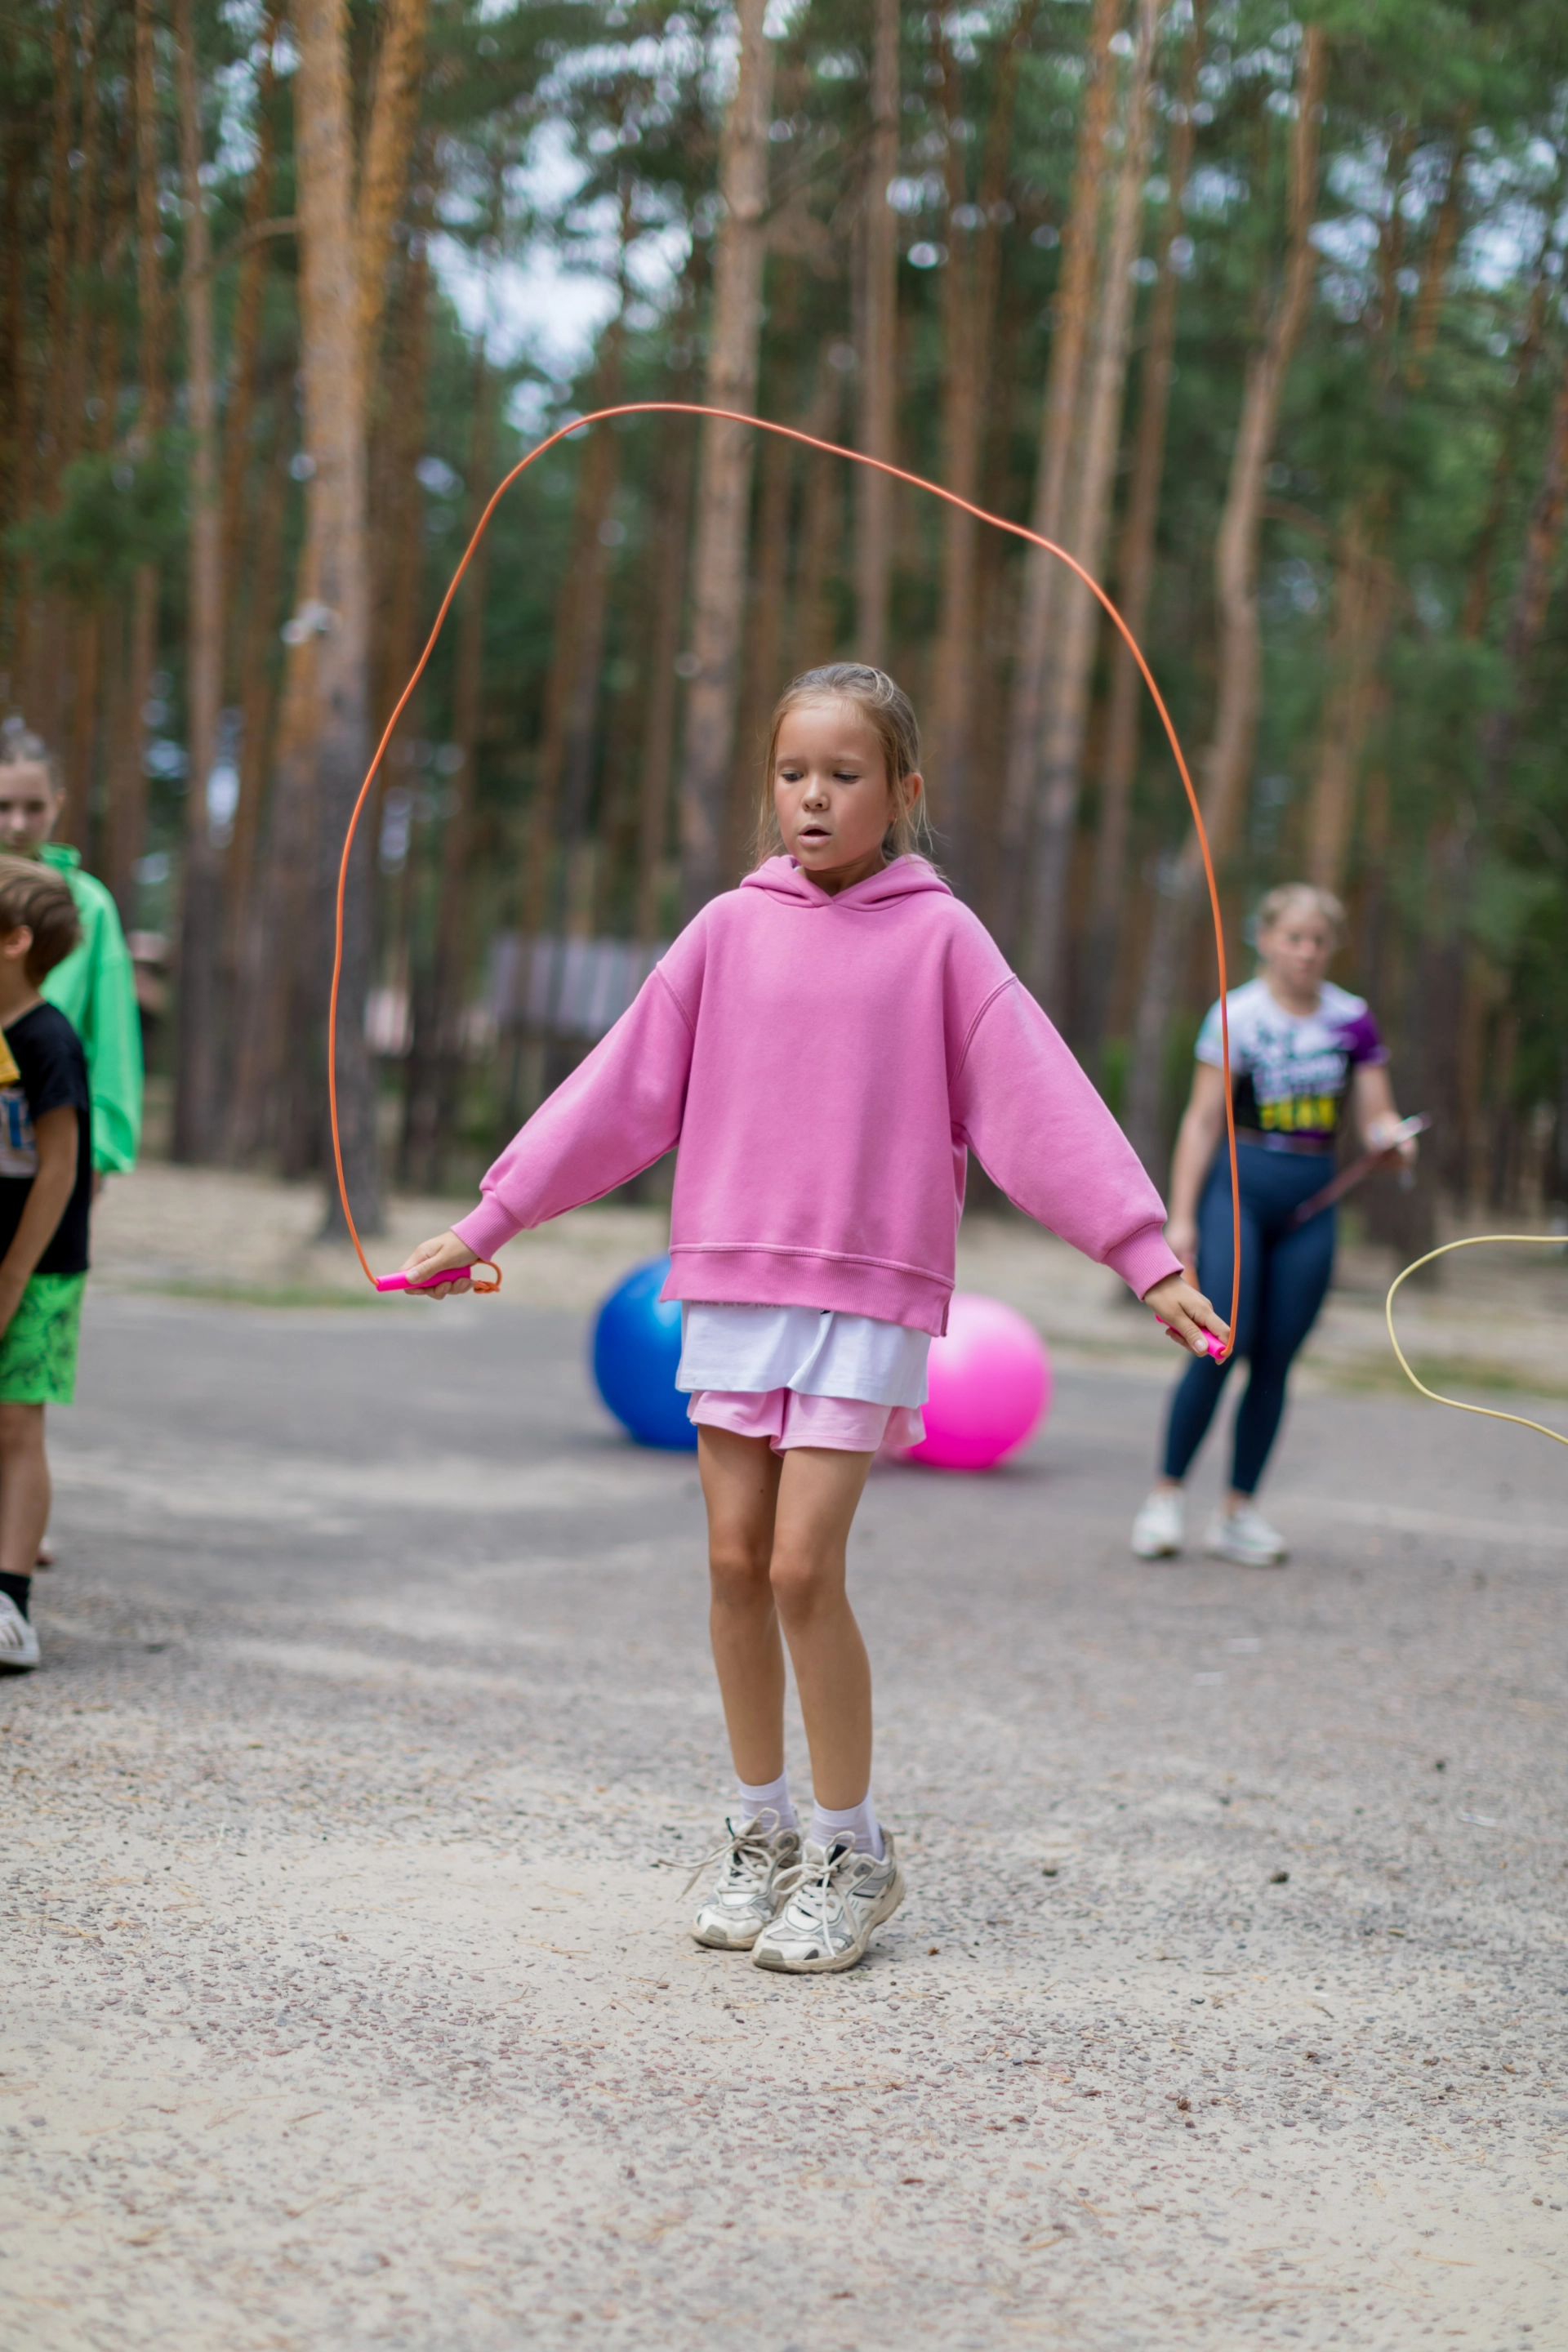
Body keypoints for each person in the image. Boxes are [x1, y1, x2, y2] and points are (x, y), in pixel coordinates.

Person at [403, 666, 1227, 1973]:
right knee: (731, 1560)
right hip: (732, 1283)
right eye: (793, 774)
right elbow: (615, 1091)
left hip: (865, 1296)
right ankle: (758, 1829)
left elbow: (1040, 1106)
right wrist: (490, 1220)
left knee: (802, 1568)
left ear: (902, 794)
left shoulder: (943, 940)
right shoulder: (727, 931)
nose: (814, 798)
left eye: (844, 776)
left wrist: (1147, 1257)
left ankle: (855, 1852)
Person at [1131, 882, 1415, 1570]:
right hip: (1240, 1190)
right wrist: (1183, 1216)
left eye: (1319, 941)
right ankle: (1165, 1498)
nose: (1307, 953)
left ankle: (1238, 1512)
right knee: (1221, 1342)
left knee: (1279, 1355)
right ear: (1266, 939)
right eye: (1294, 938)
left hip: (1314, 1198)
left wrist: (1391, 1141)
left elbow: (1376, 1113)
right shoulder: (1238, 1015)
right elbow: (1203, 1118)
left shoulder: (1353, 1019)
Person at [0, 859, 95, 1672]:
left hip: (42, 1267)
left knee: (16, 1423)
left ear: (13, 942)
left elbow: (61, 1170)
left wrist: (13, 1277)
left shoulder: (48, 1041)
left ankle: (13, 1608)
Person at [0, 721, 143, 1180]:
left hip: (47, 1145)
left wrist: (97, 1155)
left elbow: (113, 1040)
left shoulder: (88, 906)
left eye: (33, 807)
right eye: (3, 806)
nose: (18, 824)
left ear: (58, 804)